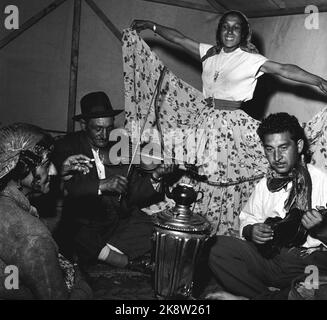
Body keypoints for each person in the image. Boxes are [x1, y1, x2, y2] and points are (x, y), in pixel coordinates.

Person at [126, 11, 327, 237]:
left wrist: (318, 81)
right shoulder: (209, 53)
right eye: (225, 27)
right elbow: (178, 39)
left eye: (236, 27)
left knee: (225, 176)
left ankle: (219, 228)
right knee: (195, 172)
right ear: (219, 31)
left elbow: (284, 69)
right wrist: (151, 25)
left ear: (243, 34)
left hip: (231, 127)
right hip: (204, 122)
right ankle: (185, 223)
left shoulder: (251, 60)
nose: (230, 31)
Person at [207, 113, 327, 300]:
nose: (276, 157)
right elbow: (248, 218)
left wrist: (321, 230)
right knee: (217, 248)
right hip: (271, 257)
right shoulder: (266, 183)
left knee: (313, 288)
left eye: (283, 147)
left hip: (308, 263)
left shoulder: (323, 180)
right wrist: (252, 231)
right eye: (269, 149)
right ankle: (270, 296)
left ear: (300, 146)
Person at [52, 91, 176, 271]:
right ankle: (116, 258)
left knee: (151, 225)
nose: (104, 135)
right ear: (83, 124)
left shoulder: (120, 148)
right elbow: (65, 189)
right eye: (98, 128)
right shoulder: (66, 146)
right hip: (85, 220)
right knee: (72, 229)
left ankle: (102, 253)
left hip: (114, 221)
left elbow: (133, 195)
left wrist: (155, 176)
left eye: (109, 128)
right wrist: (102, 185)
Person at [0, 123, 93, 300]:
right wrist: (82, 286)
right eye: (47, 164)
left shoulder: (7, 200)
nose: (53, 170)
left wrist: (59, 179)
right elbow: (34, 239)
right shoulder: (34, 238)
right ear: (23, 168)